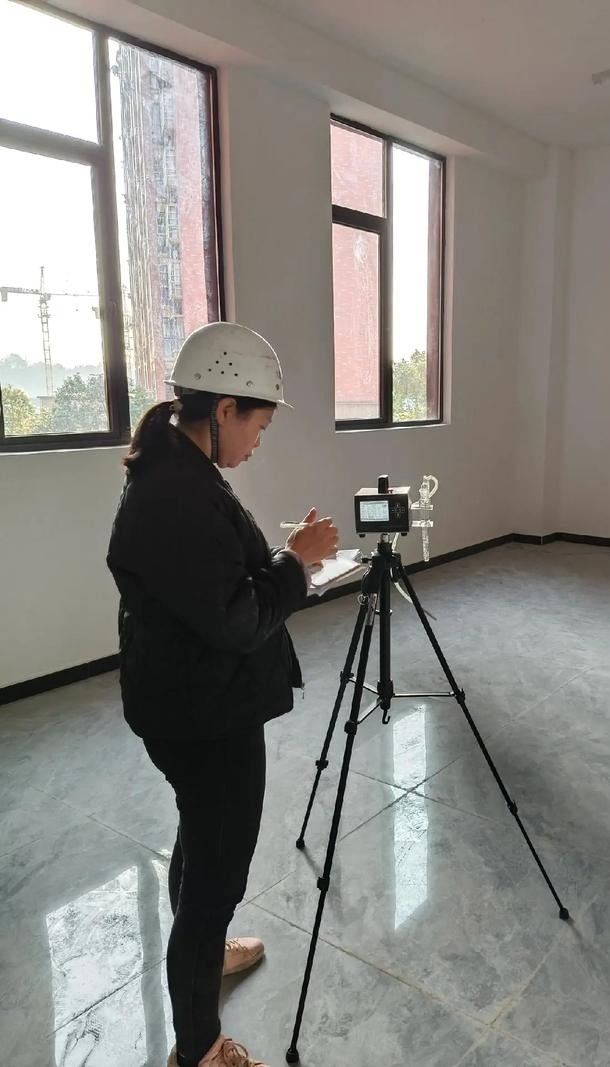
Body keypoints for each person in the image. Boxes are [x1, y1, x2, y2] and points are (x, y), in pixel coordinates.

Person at [107, 322, 338, 1067]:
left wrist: (282, 560)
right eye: (258, 427)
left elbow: (212, 590)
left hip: (188, 702)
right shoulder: (177, 492)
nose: (258, 444)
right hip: (204, 716)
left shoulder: (179, 470)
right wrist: (294, 563)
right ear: (224, 408)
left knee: (201, 839)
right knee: (216, 876)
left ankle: (202, 953)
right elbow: (237, 620)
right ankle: (201, 1047)